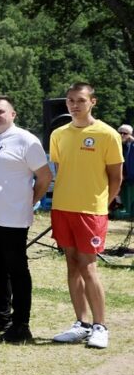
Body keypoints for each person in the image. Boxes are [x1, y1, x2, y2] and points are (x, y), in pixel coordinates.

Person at [0, 96, 52, 342]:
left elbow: (45, 177)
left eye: (0, 112)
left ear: (13, 114)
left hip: (12, 218)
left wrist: (29, 201)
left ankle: (21, 324)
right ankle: (1, 316)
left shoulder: (26, 140)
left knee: (17, 270)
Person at [49, 82, 123, 349]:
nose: (74, 105)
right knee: (72, 265)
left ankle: (100, 326)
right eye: (70, 100)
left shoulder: (107, 134)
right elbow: (61, 170)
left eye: (80, 100)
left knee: (88, 267)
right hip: (62, 207)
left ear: (93, 102)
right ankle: (82, 324)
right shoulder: (58, 134)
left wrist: (101, 204)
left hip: (91, 211)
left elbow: (116, 178)